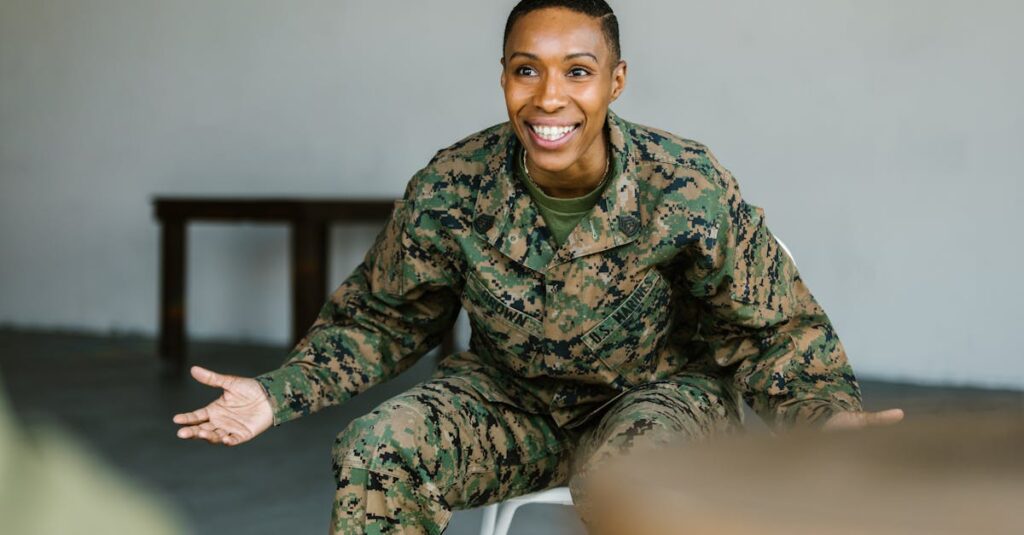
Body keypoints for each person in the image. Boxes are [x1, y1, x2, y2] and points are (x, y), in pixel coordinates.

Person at [172, 1, 904, 533]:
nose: (549, 97)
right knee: (377, 449)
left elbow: (771, 324)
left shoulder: (685, 183)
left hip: (656, 401)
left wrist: (826, 417)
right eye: (528, 70)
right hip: (508, 403)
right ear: (502, 78)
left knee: (630, 478)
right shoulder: (454, 185)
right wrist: (278, 393)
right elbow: (384, 316)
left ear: (616, 81)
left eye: (577, 72)